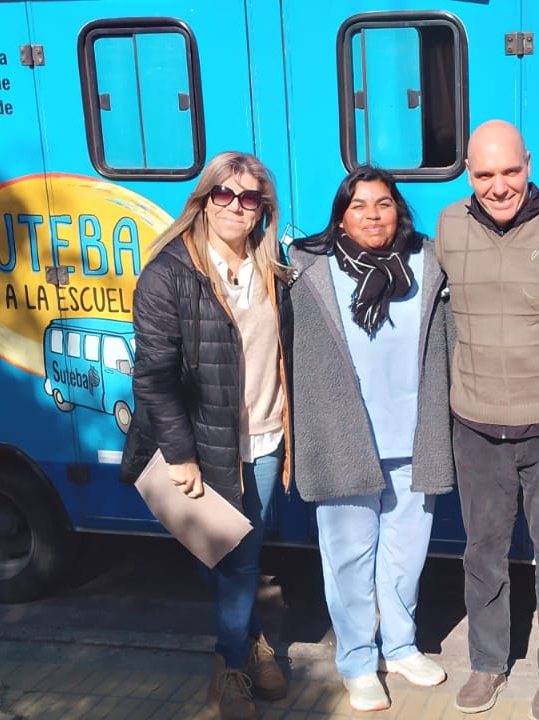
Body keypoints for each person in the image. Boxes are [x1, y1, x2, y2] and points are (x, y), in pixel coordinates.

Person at [119, 151, 292, 720]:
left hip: (264, 439)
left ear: (262, 208)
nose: (235, 206)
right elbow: (154, 375)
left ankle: (249, 643)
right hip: (200, 445)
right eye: (224, 193)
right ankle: (235, 664)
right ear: (204, 199)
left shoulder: (274, 267)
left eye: (249, 197)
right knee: (232, 560)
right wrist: (180, 454)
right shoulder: (168, 274)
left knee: (234, 556)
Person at [288, 166, 455, 711]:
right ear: (341, 218)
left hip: (414, 436)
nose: (372, 215)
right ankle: (358, 661)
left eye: (383, 204)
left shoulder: (428, 262)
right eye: (358, 206)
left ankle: (401, 647)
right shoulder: (307, 270)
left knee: (406, 555)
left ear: (398, 210)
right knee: (348, 559)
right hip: (344, 438)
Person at [437, 119, 539, 720]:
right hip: (476, 426)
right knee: (483, 555)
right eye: (484, 174)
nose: (498, 186)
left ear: (529, 163)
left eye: (509, 171)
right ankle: (488, 662)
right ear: (467, 174)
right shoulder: (449, 225)